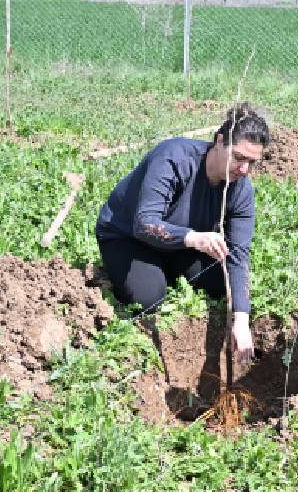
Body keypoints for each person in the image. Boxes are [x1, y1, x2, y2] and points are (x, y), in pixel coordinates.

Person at [95, 103, 270, 363]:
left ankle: (166, 268)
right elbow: (144, 223)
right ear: (219, 141)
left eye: (251, 162)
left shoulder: (240, 190)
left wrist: (241, 320)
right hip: (128, 238)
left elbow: (238, 256)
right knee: (149, 298)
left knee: (220, 284)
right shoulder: (175, 158)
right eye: (239, 157)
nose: (243, 169)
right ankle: (120, 274)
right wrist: (195, 238)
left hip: (182, 244)